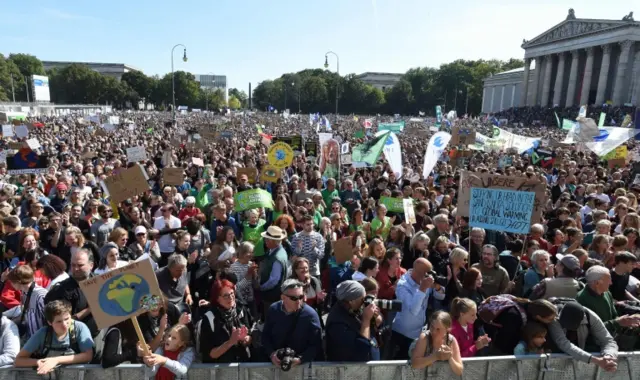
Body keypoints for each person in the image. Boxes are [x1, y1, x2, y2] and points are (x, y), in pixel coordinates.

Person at [14, 300, 94, 375]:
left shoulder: (79, 328)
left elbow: (88, 355)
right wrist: (38, 362)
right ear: (49, 322)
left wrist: (56, 360)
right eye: (59, 321)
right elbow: (18, 360)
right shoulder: (43, 333)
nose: (64, 324)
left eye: (67, 319)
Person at [390, 258, 445, 360]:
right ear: (419, 273)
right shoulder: (403, 285)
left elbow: (440, 296)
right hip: (402, 334)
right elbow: (414, 310)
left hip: (418, 333)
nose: (429, 276)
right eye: (426, 274)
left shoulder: (423, 279)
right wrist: (422, 289)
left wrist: (437, 287)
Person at [262, 279, 323, 366]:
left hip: (302, 367)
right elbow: (265, 337)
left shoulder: (310, 315)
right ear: (283, 297)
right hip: (276, 366)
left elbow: (316, 345)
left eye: (301, 297)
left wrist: (300, 359)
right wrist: (272, 355)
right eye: (294, 298)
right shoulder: (273, 310)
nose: (298, 301)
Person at [547, 301, 619, 372]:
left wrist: (609, 356)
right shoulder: (554, 317)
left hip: (581, 361)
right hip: (555, 363)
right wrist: (596, 360)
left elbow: (608, 341)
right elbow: (564, 344)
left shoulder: (591, 317)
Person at [44, 249, 99, 337]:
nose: (76, 269)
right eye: (73, 265)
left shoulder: (100, 282)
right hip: (75, 339)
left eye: (80, 265)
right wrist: (89, 309)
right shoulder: (61, 290)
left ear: (91, 265)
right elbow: (60, 322)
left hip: (102, 333)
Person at [199, 279, 253, 363]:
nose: (230, 298)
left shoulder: (241, 309)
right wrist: (230, 342)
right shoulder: (210, 318)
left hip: (242, 365)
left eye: (232, 293)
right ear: (217, 299)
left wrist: (245, 340)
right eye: (226, 296)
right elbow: (210, 354)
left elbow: (251, 335)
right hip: (220, 369)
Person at [325, 280, 380, 361]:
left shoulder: (352, 309)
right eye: (362, 299)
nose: (364, 302)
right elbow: (360, 352)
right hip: (348, 370)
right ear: (351, 301)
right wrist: (366, 320)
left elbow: (370, 331)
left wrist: (374, 318)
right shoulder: (337, 324)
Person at [409, 311, 463, 376]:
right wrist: (435, 356)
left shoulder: (451, 340)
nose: (434, 331)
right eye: (432, 327)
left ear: (447, 329)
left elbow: (459, 371)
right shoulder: (425, 337)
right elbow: (415, 363)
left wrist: (450, 357)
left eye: (438, 329)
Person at [7, 265, 48, 340]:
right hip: (32, 340)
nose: (11, 284)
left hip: (42, 341)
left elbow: (49, 320)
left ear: (18, 281)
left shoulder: (40, 295)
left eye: (11, 282)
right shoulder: (25, 293)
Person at [259, 226, 290, 310]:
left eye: (267, 239)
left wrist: (261, 287)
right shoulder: (278, 251)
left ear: (274, 241)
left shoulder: (277, 257)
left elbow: (273, 280)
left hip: (272, 297)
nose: (265, 241)